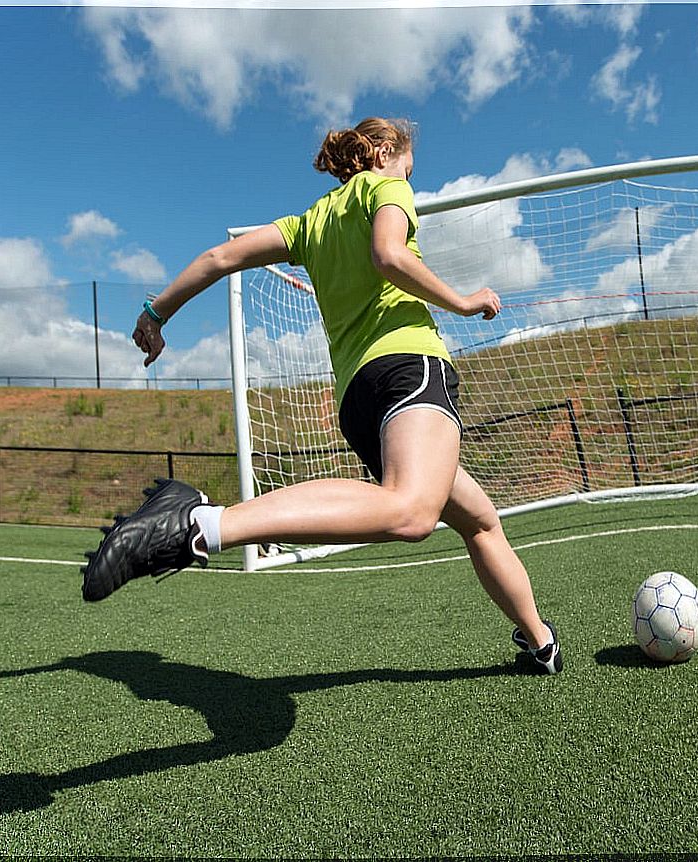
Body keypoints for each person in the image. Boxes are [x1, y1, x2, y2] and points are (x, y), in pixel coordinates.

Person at [81, 117, 562, 674]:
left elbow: (221, 257)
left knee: (479, 518)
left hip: (361, 399)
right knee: (411, 513)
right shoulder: (387, 185)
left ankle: (538, 640)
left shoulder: (312, 220)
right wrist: (462, 301)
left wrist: (155, 312)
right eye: (410, 165)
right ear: (384, 151)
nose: (410, 177)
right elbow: (388, 255)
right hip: (410, 368)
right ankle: (198, 525)